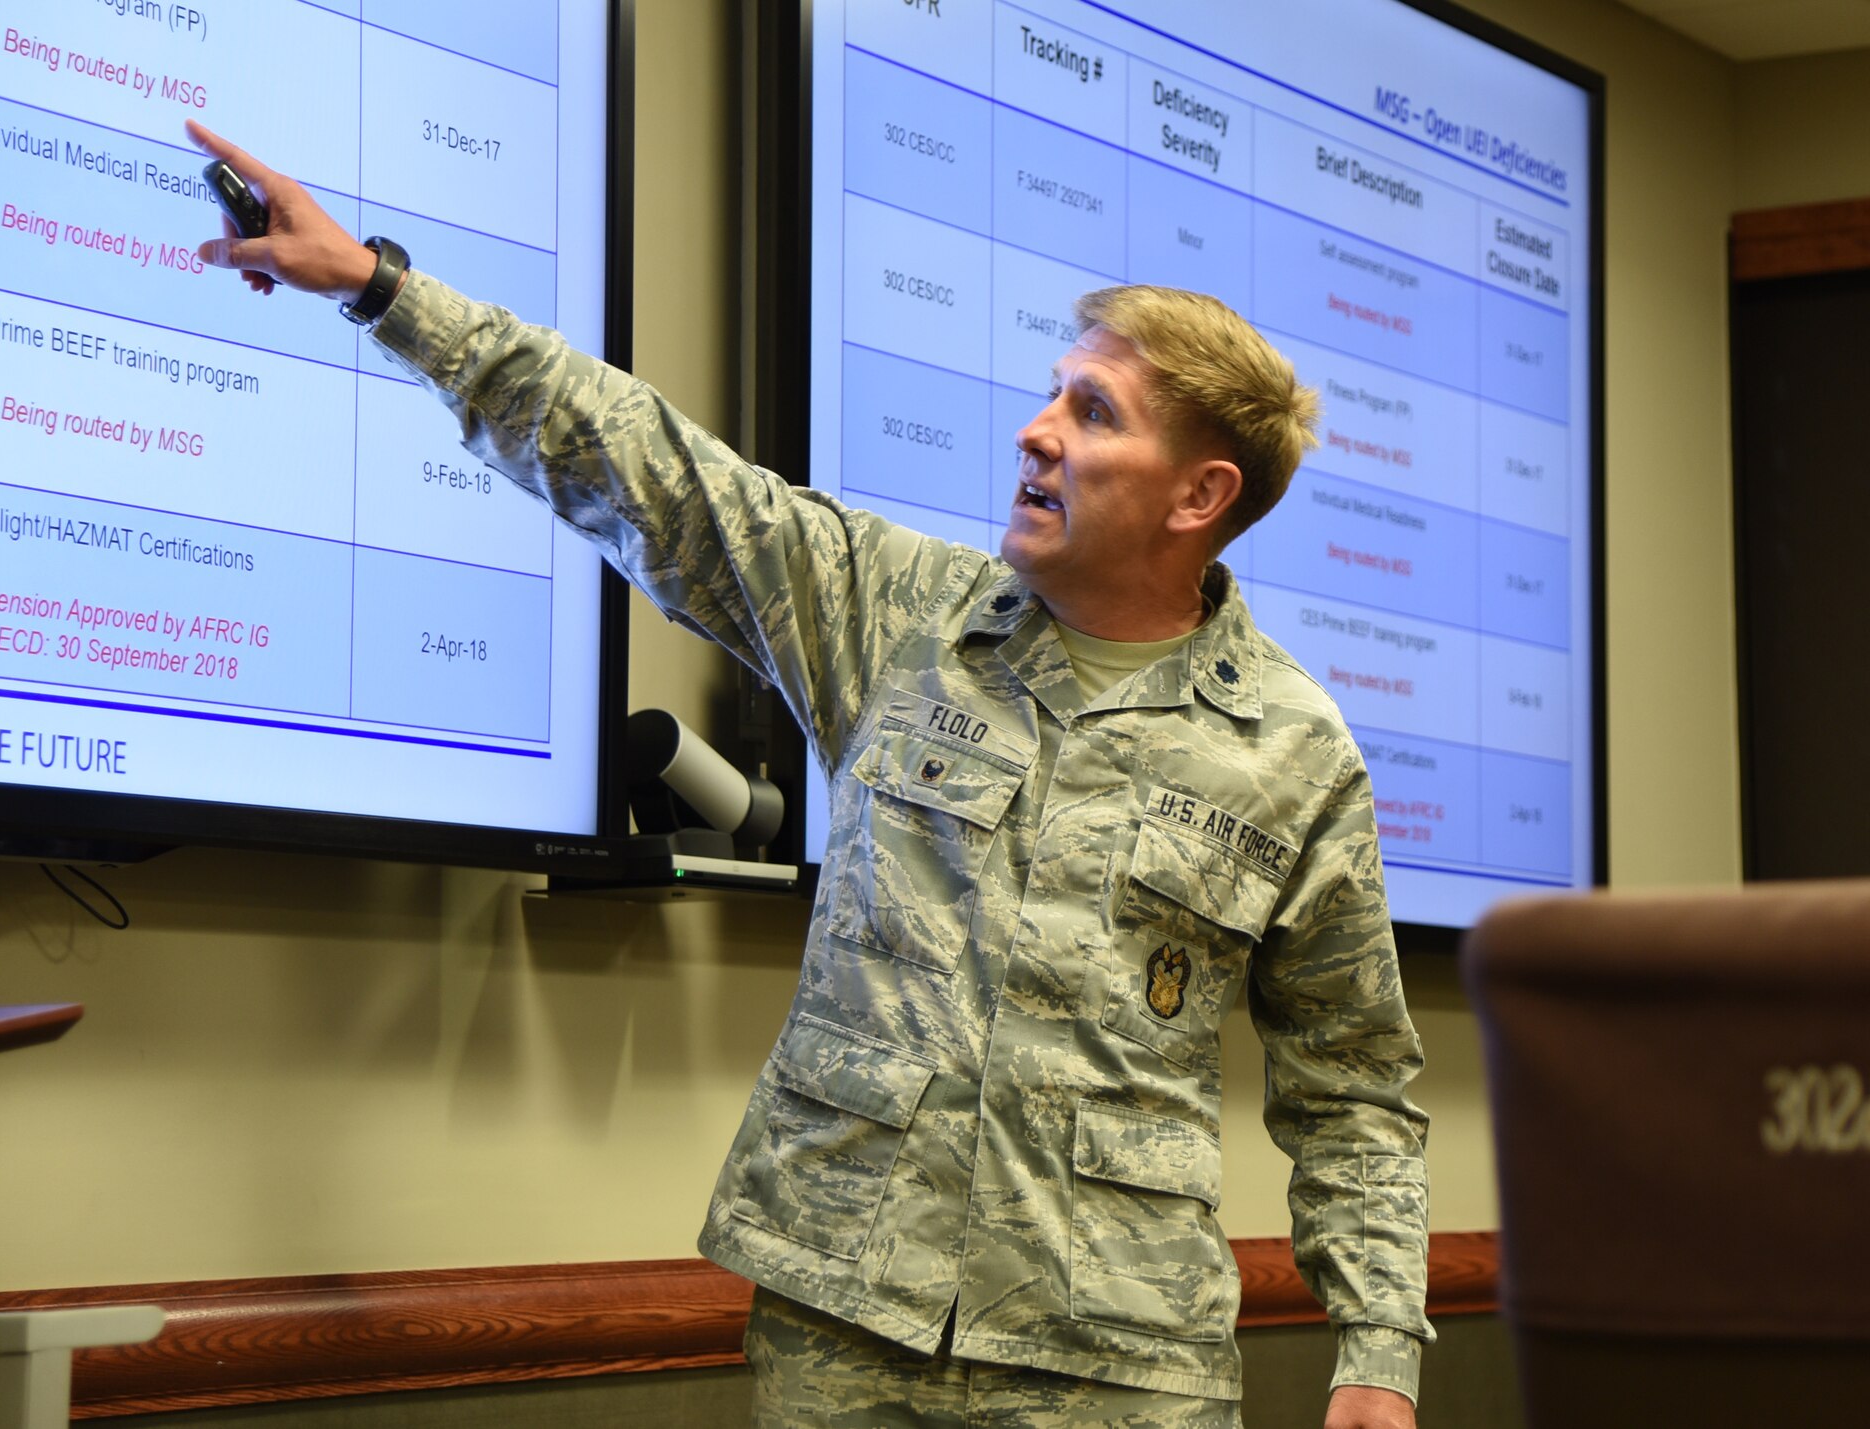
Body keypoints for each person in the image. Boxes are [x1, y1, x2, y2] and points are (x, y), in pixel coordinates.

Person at [187, 119, 1432, 1429]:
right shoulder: (898, 618)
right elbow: (647, 466)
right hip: (846, 1332)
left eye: (1092, 410)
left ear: (1199, 497)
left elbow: (1354, 1089)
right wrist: (383, 288)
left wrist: (1376, 1355)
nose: (1036, 428)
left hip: (1118, 1367)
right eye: (1056, 387)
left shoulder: (1293, 748)